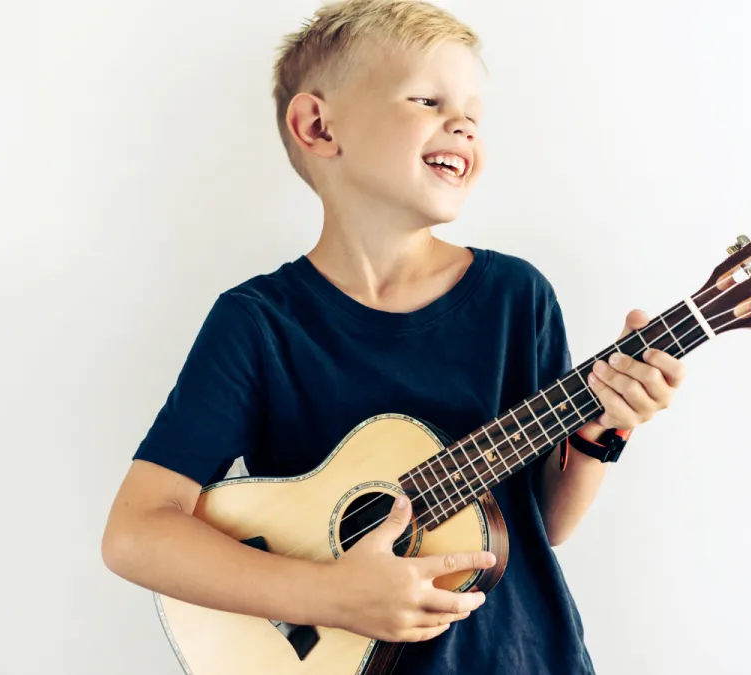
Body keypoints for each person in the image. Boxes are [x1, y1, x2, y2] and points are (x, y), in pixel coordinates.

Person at [100, 1, 687, 672]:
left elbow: (539, 524)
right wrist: (329, 594)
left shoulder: (515, 297)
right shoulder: (258, 323)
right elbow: (135, 532)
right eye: (429, 99)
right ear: (319, 125)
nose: (462, 124)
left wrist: (601, 429)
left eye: (474, 114)